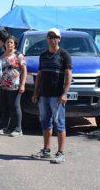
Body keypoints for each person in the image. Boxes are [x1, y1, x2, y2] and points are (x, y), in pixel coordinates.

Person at [31, 28, 72, 164]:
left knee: (59, 124)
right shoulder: (43, 55)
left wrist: (65, 93)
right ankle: (46, 150)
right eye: (50, 37)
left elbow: (68, 76)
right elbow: (40, 75)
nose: (52, 39)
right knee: (45, 123)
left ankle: (60, 153)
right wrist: (36, 93)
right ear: (47, 39)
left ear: (59, 39)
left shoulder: (64, 55)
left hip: (57, 96)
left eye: (55, 37)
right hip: (44, 95)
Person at [0, 35, 27, 136]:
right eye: (8, 42)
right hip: (2, 85)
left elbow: (24, 70)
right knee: (4, 107)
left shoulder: (19, 55)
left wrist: (22, 84)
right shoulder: (1, 55)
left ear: (15, 44)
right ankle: (5, 128)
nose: (9, 44)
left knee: (15, 107)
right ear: (5, 44)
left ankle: (18, 129)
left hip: (15, 85)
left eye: (11, 42)